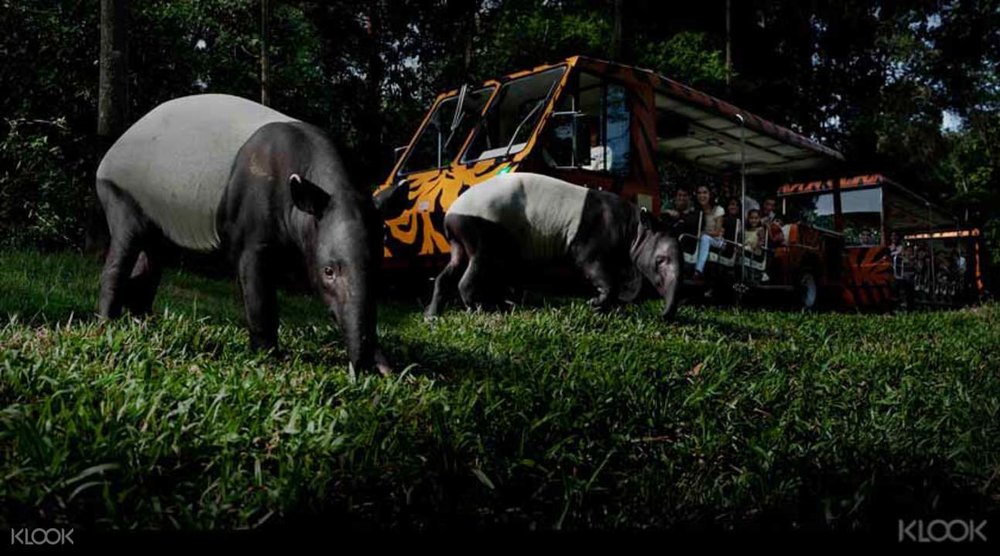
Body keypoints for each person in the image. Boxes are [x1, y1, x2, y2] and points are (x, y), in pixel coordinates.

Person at [693, 185, 725, 278]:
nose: (702, 195)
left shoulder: (718, 210)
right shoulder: (697, 210)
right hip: (700, 238)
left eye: (705, 193)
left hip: (716, 240)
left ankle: (698, 270)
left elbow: (717, 232)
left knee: (705, 238)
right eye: (699, 193)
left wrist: (704, 233)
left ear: (710, 195)